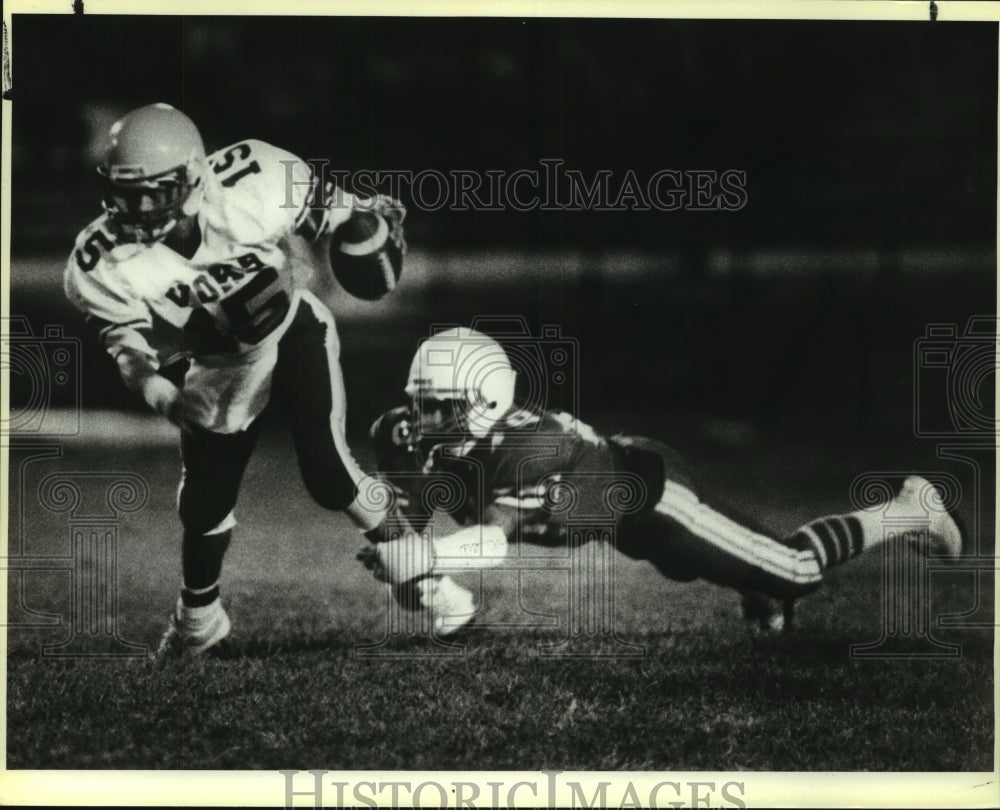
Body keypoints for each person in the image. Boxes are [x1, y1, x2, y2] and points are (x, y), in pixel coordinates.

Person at [64, 103, 406, 658]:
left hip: (290, 327)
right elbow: (125, 347)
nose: (143, 208)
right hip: (220, 365)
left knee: (328, 470)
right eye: (130, 193)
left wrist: (368, 221)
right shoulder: (101, 259)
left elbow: (342, 213)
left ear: (195, 176)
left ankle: (426, 574)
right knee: (202, 504)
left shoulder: (256, 180)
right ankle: (199, 620)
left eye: (159, 190)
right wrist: (153, 385)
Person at [358, 326, 964, 637]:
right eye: (421, 402)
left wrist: (420, 556)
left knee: (796, 572)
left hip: (650, 496)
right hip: (609, 517)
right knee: (699, 563)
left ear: (485, 402)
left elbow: (492, 541)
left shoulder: (528, 446)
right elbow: (403, 523)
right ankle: (753, 583)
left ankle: (909, 509)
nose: (422, 418)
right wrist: (410, 561)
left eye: (439, 406)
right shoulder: (404, 433)